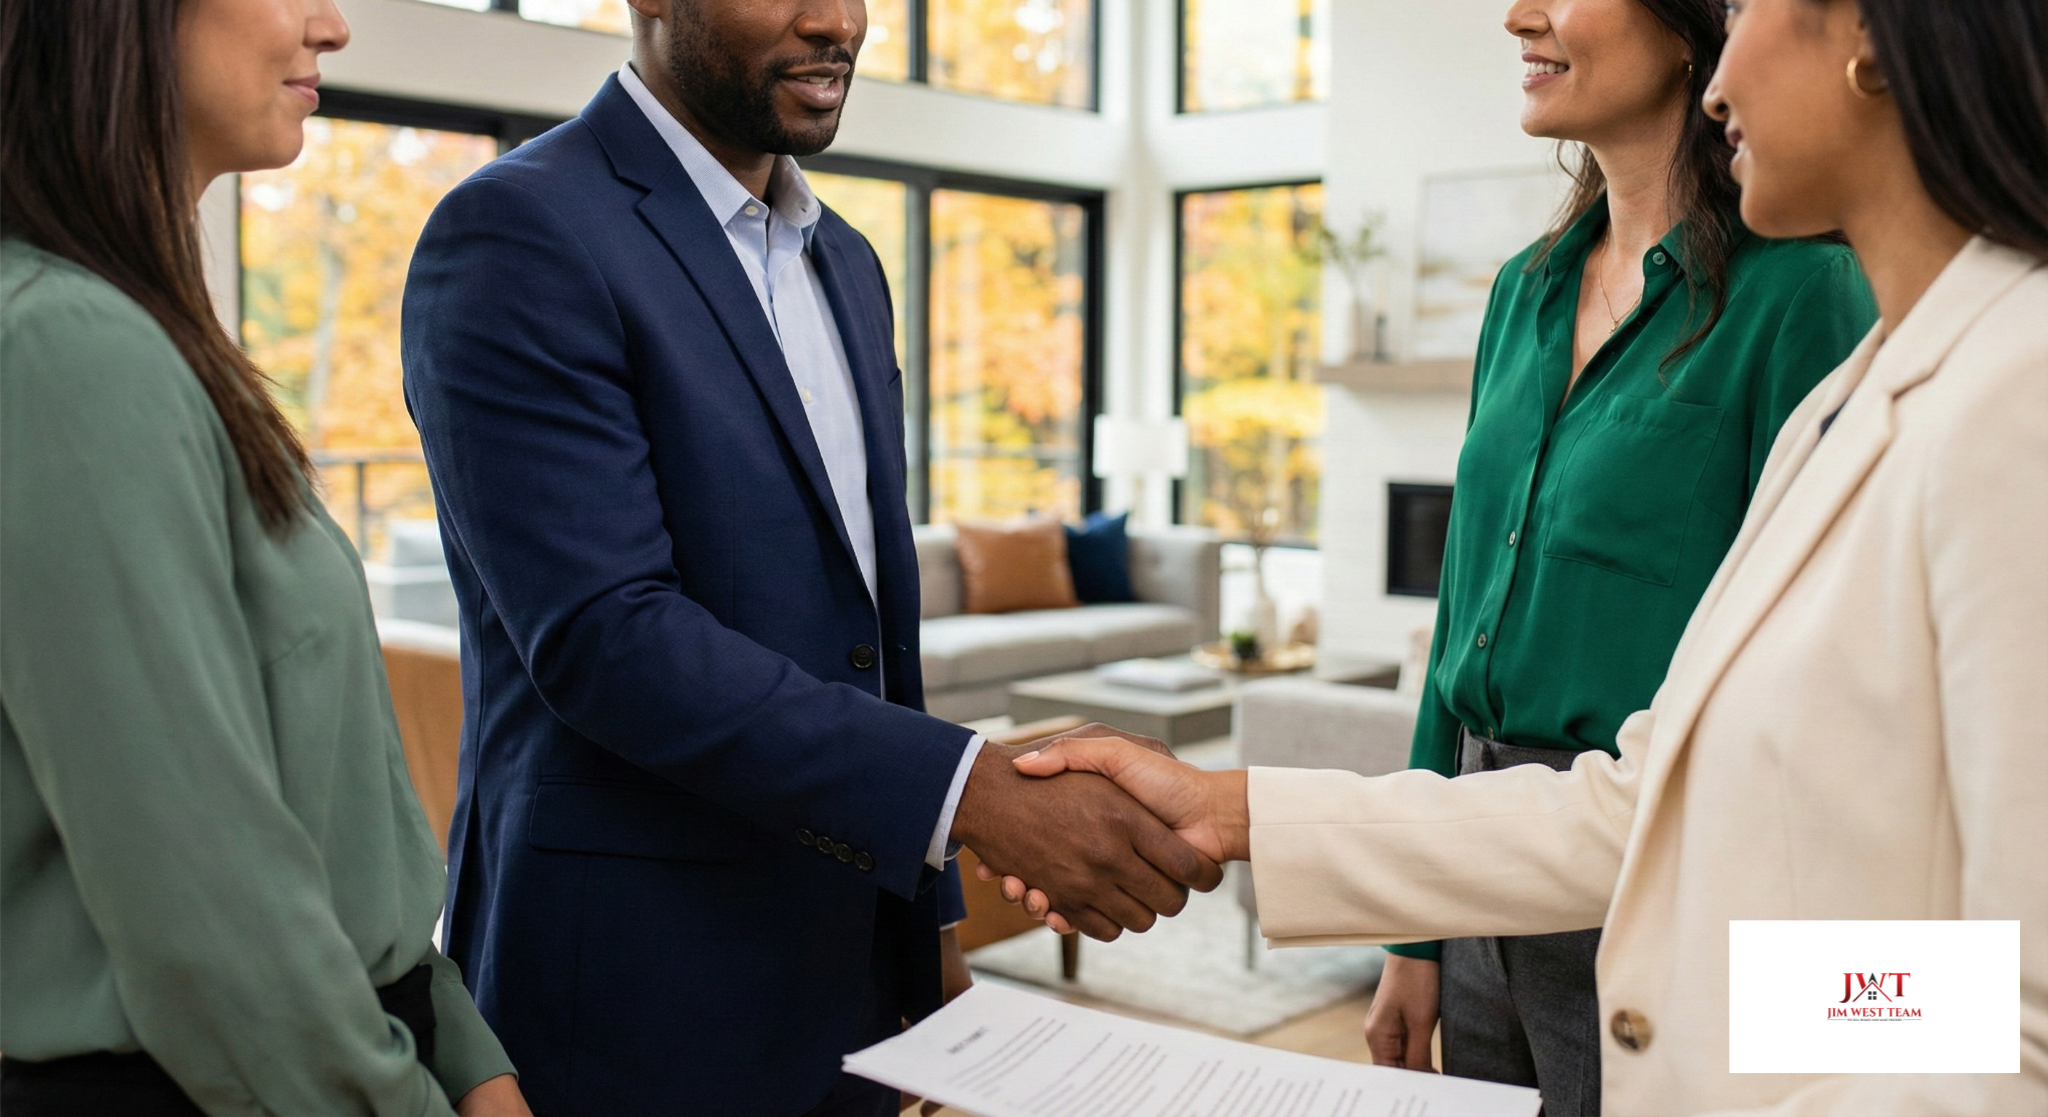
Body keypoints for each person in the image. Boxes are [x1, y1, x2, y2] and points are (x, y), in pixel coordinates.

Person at [992, 0, 2048, 1111]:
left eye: (1744, 13)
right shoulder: (1869, 385)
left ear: (1872, 36)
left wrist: (1748, 1016)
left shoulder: (2005, 392)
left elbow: (1996, 1008)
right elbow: (1644, 800)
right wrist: (1228, 809)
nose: (1722, 82)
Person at [398, 0, 1221, 1111]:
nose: (838, 20)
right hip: (638, 988)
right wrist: (968, 790)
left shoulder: (849, 262)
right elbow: (607, 638)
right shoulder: (518, 231)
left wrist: (927, 929)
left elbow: (873, 631)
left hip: (854, 981)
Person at [0, 0, 529, 1114]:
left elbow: (336, 826)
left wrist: (466, 1052)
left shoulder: (147, 342)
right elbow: (207, 911)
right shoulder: (65, 350)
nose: (332, 27)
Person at [1372, 0, 1877, 1109]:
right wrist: (1411, 934)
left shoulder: (1802, 292)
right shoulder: (1520, 289)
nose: (1516, 15)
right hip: (1469, 848)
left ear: (1693, 27)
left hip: (1657, 869)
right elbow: (1462, 611)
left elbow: (1820, 667)